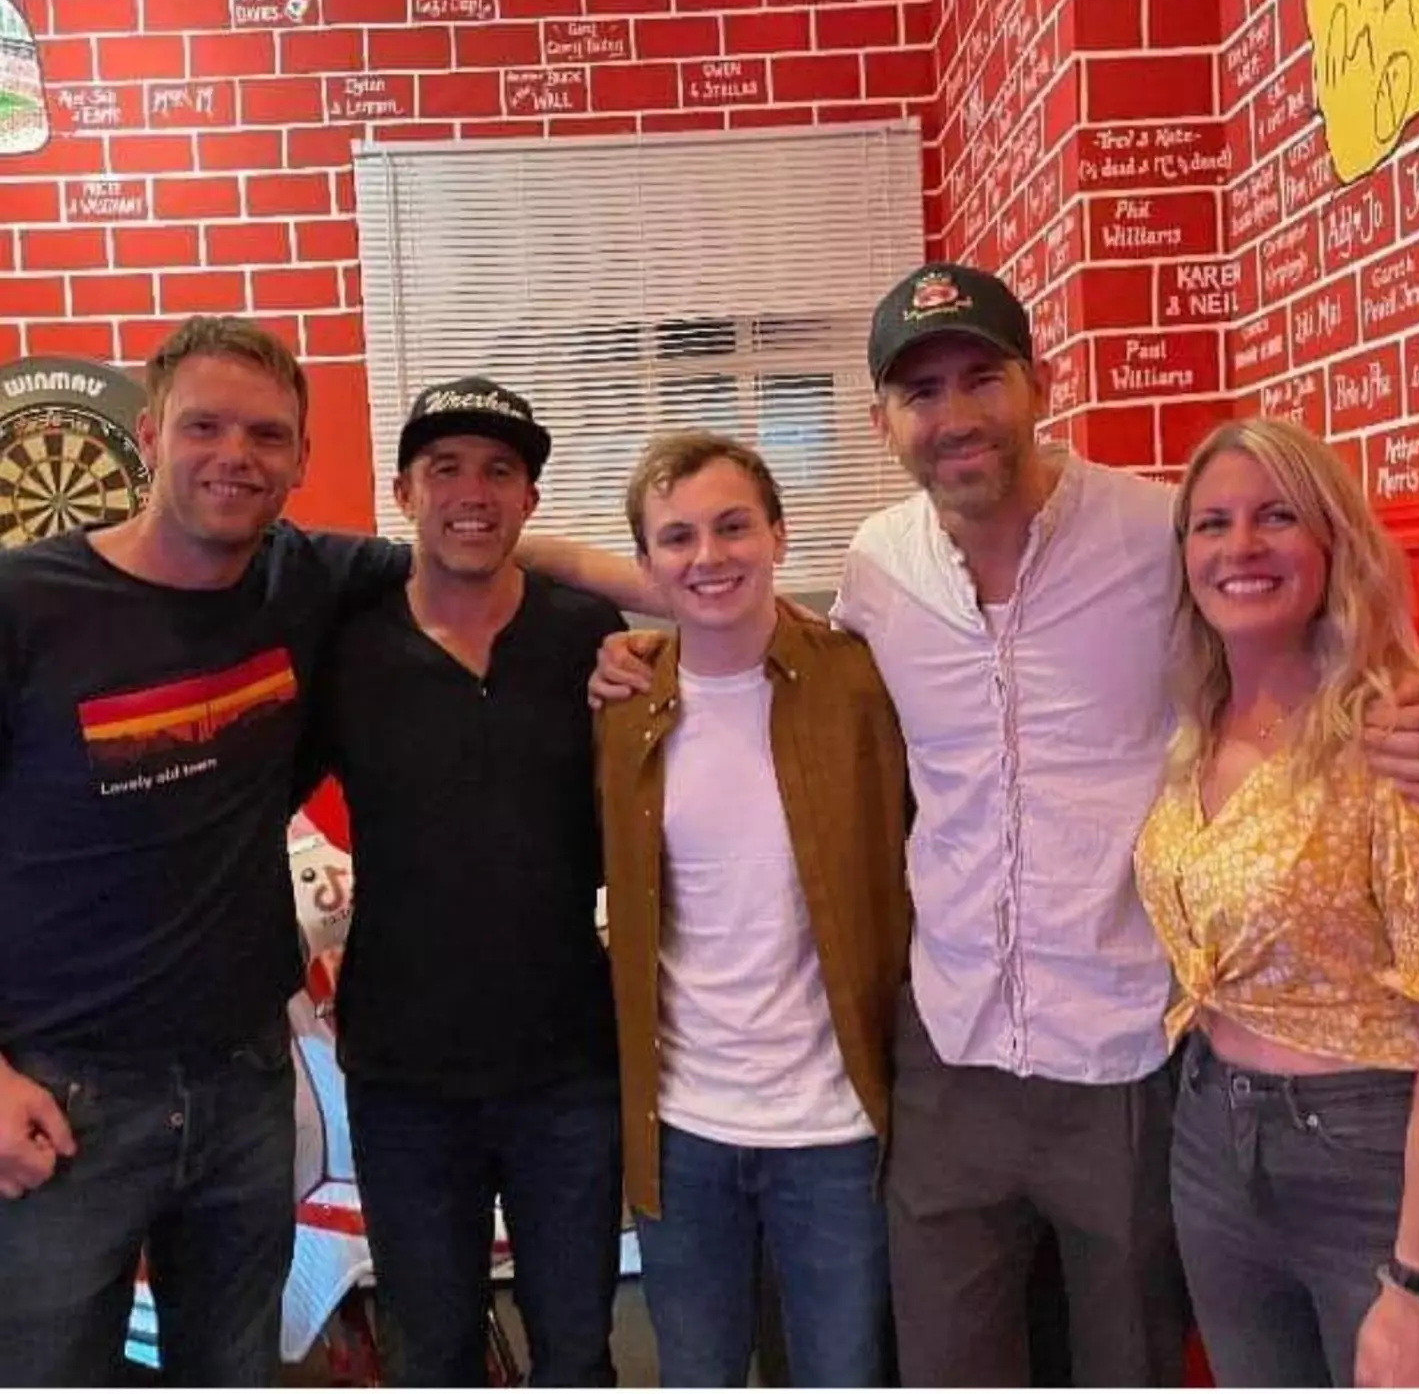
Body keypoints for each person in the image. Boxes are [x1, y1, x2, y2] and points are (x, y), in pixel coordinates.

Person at [541, 262, 1419, 1387]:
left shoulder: (1160, 536)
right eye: (922, 393)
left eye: (982, 379)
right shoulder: (879, 564)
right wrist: (612, 623)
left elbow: (1300, 622)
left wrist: (1409, 704)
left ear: (1039, 384)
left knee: (1128, 1362)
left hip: (1125, 1054)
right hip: (949, 1054)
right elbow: (741, 608)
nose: (955, 416)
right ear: (881, 422)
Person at [0, 316, 408, 1385]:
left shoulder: (305, 580)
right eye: (207, 426)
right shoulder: (25, 605)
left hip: (243, 1082)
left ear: (301, 460)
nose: (238, 455)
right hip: (58, 1096)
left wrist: (671, 608)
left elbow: (483, 546)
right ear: (149, 433)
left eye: (268, 435)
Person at [303, 377, 626, 1387]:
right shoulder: (347, 645)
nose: (472, 492)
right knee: (435, 1355)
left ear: (531, 499)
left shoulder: (589, 632)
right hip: (406, 1078)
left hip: (568, 1067)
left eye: (499, 470)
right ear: (404, 494)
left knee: (576, 1352)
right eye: (445, 469)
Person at [594, 433, 911, 1387]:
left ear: (777, 532)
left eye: (733, 527)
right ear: (648, 566)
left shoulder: (862, 682)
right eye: (678, 538)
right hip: (684, 1132)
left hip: (834, 1132)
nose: (709, 556)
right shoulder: (624, 702)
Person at [1134, 417, 1419, 1389]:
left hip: (1367, 1153)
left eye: (1277, 517)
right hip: (1208, 1133)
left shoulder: (1395, 739)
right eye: (1211, 524)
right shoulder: (1192, 726)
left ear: (1332, 541)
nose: (1241, 547)